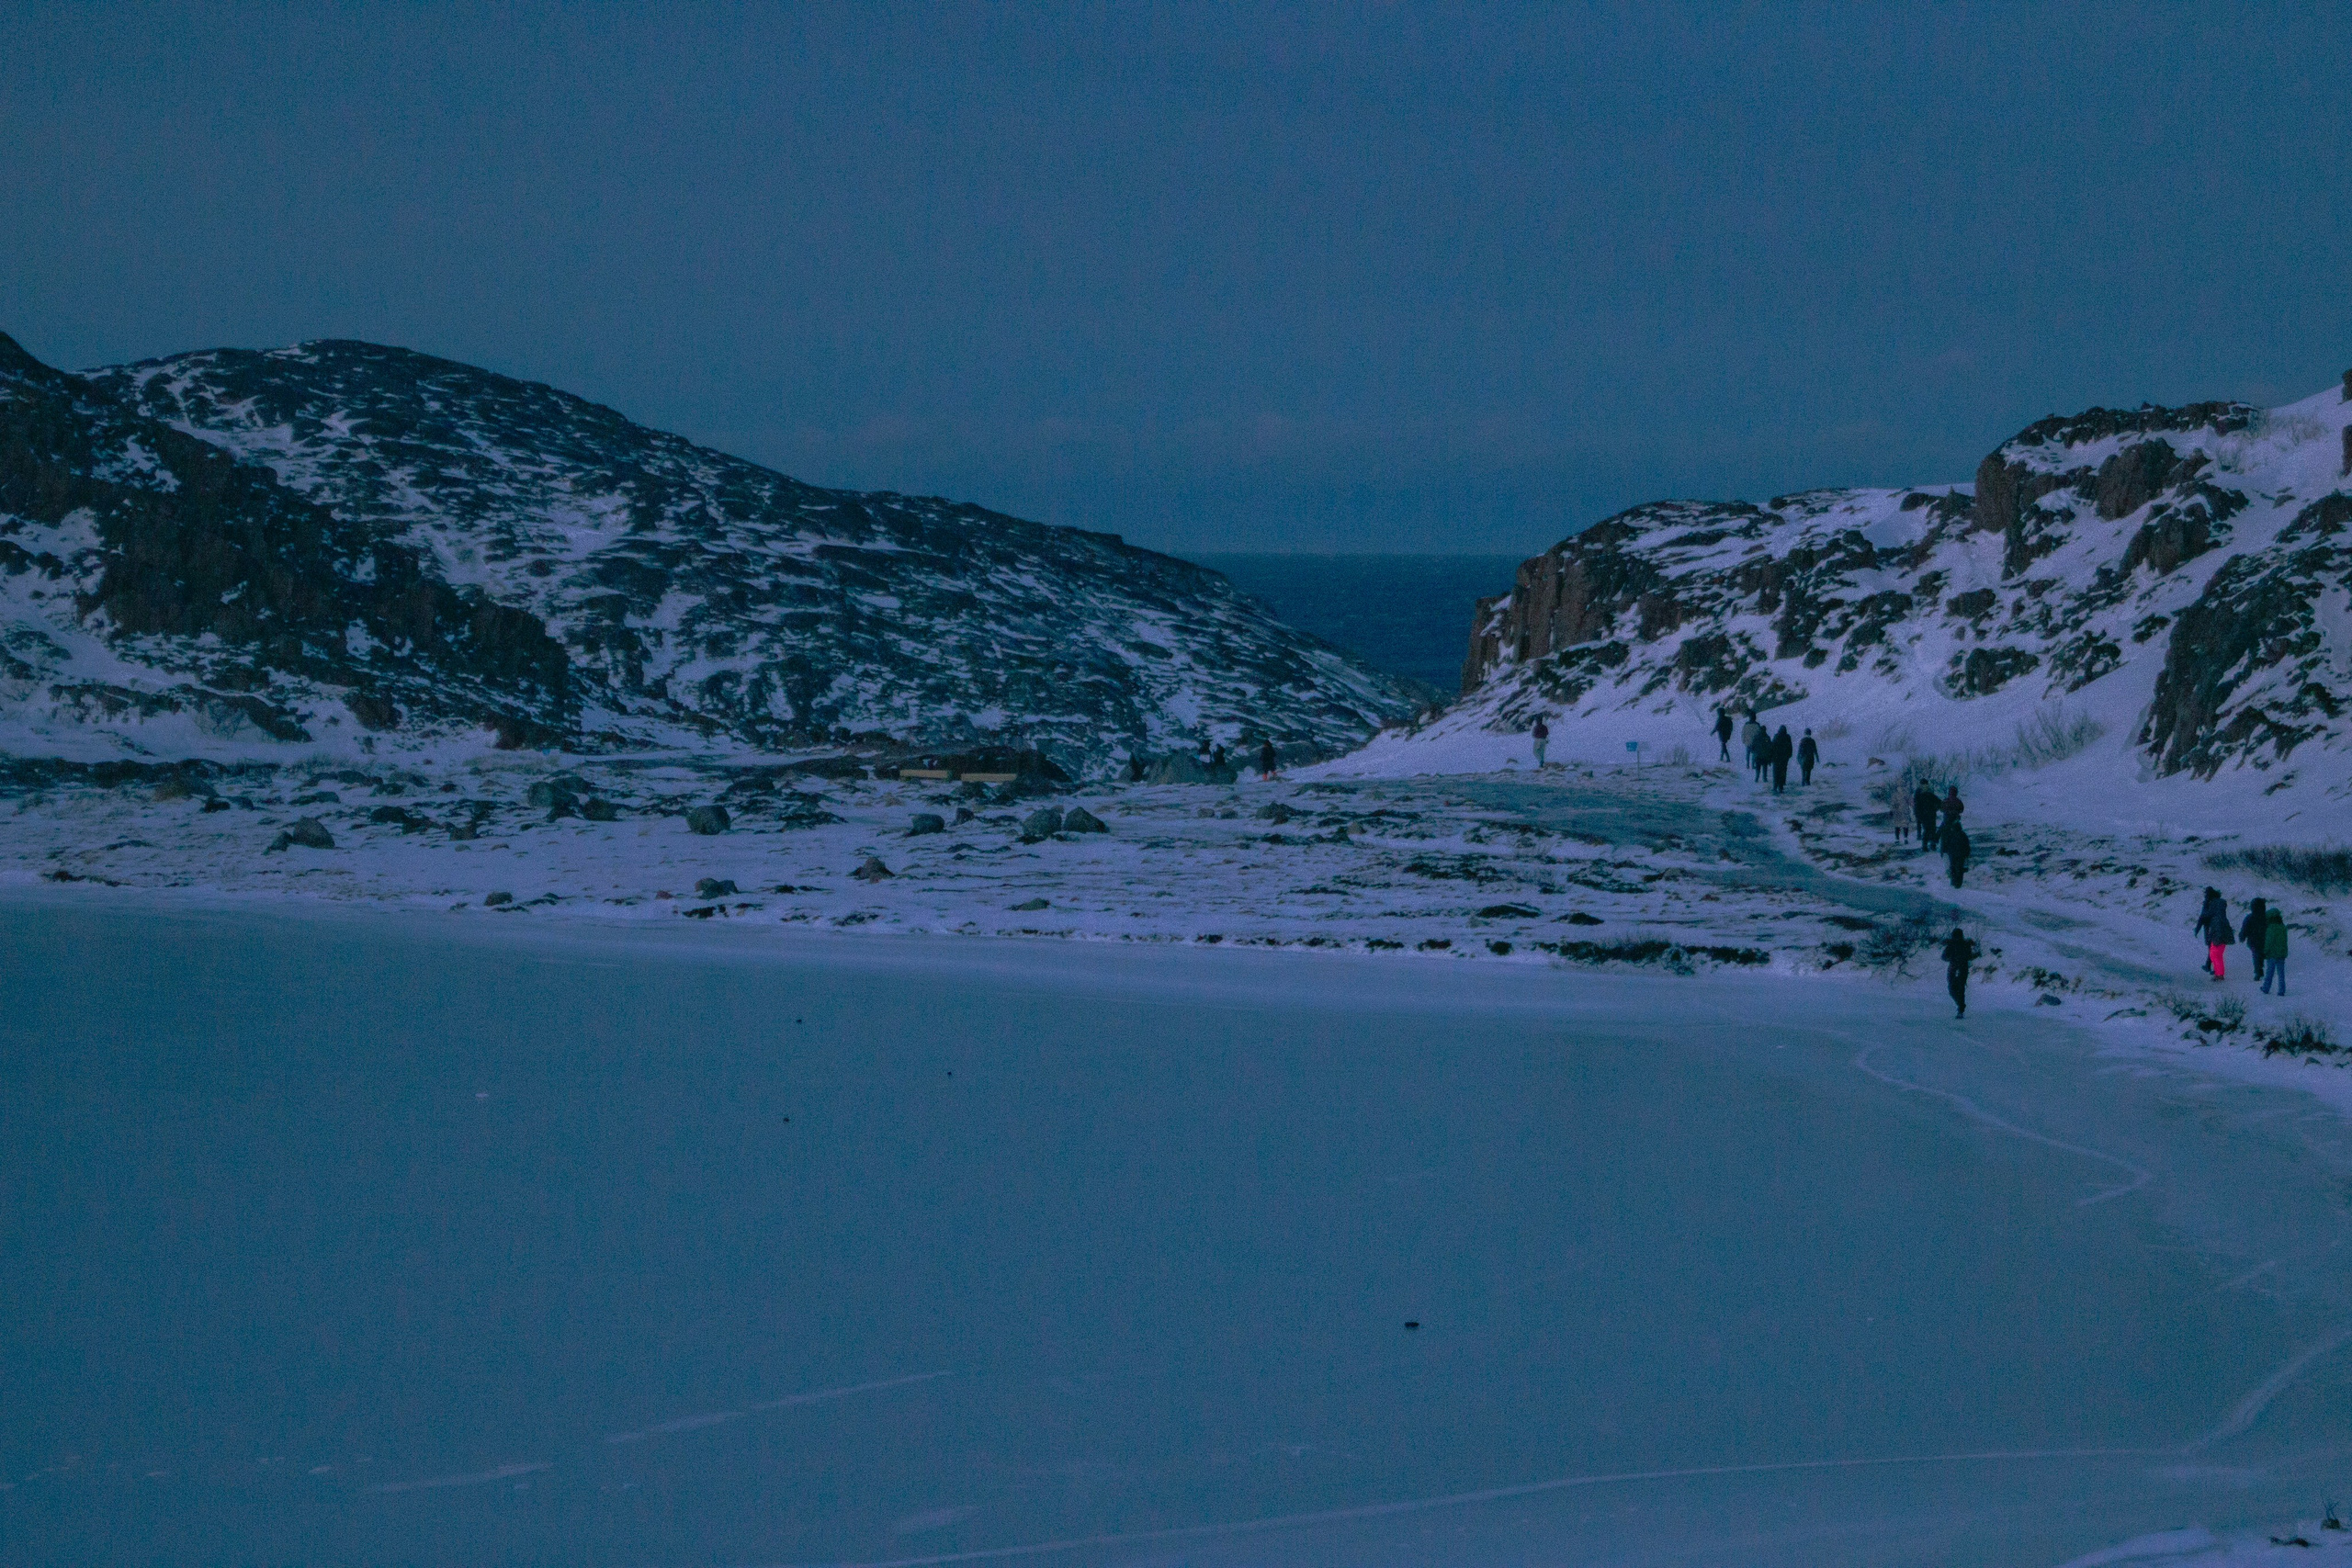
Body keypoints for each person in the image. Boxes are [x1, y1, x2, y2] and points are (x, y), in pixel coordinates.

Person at [2192, 887, 2232, 979]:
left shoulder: (2209, 903)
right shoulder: (2221, 903)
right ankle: (2214, 967)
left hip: (2210, 927)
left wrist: (2197, 929)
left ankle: (2214, 968)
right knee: (2216, 949)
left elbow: (2203, 916)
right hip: (2221, 926)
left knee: (2212, 948)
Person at [1941, 926, 1979, 1018]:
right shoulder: (1959, 945)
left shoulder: (1960, 944)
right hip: (1958, 968)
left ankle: (1960, 1008)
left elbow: (1944, 957)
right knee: (1956, 989)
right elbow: (1944, 957)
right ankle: (1960, 1007)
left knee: (1956, 989)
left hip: (1958, 969)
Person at [2261, 909, 2289, 995]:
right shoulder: (2283, 927)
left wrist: (2265, 951)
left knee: (2269, 973)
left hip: (2272, 954)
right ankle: (2281, 990)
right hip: (2281, 953)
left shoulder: (2270, 928)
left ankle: (2266, 988)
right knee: (2281, 974)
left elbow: (2269, 942)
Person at [2240, 897, 2268, 980]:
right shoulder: (2266, 917)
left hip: (2253, 940)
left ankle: (2258, 971)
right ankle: (2260, 968)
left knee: (2256, 955)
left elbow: (2245, 928)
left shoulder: (2250, 917)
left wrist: (2242, 937)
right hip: (2264, 939)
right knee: (2261, 953)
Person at [1912, 784, 1941, 852]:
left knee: (1927, 830)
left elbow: (1917, 808)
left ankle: (1925, 846)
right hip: (1931, 816)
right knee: (1932, 830)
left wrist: (1919, 816)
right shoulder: (1931, 796)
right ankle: (1932, 845)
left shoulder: (1920, 797)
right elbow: (1939, 803)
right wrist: (1935, 809)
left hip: (1925, 817)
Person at [1943, 820, 1972, 888]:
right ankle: (1958, 883)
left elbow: (1946, 844)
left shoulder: (1950, 834)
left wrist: (1946, 851)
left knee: (1953, 867)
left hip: (1952, 854)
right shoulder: (1963, 835)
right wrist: (1967, 854)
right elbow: (1967, 845)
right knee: (1959, 869)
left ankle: (1953, 881)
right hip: (1961, 855)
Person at [1770, 725, 1793, 793]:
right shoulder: (1787, 737)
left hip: (1776, 758)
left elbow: (1772, 747)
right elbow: (1790, 747)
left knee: (1776, 772)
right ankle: (1781, 787)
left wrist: (1771, 757)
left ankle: (1775, 786)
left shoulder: (1776, 736)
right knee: (1783, 772)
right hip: (1784, 759)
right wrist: (1789, 755)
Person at [1741, 716, 1766, 781]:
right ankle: (1753, 765)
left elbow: (1743, 733)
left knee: (1748, 753)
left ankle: (1747, 764)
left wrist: (1743, 740)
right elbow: (1759, 733)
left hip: (1748, 741)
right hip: (1755, 742)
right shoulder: (1757, 725)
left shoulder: (1746, 725)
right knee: (1754, 754)